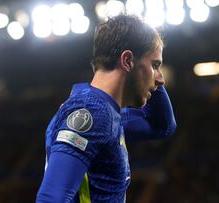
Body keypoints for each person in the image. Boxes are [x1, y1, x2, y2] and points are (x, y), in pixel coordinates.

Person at [36, 14, 177, 203]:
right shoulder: (91, 113)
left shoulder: (107, 112)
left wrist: (146, 39)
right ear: (127, 60)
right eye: (154, 65)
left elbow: (162, 126)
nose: (161, 79)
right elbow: (51, 199)